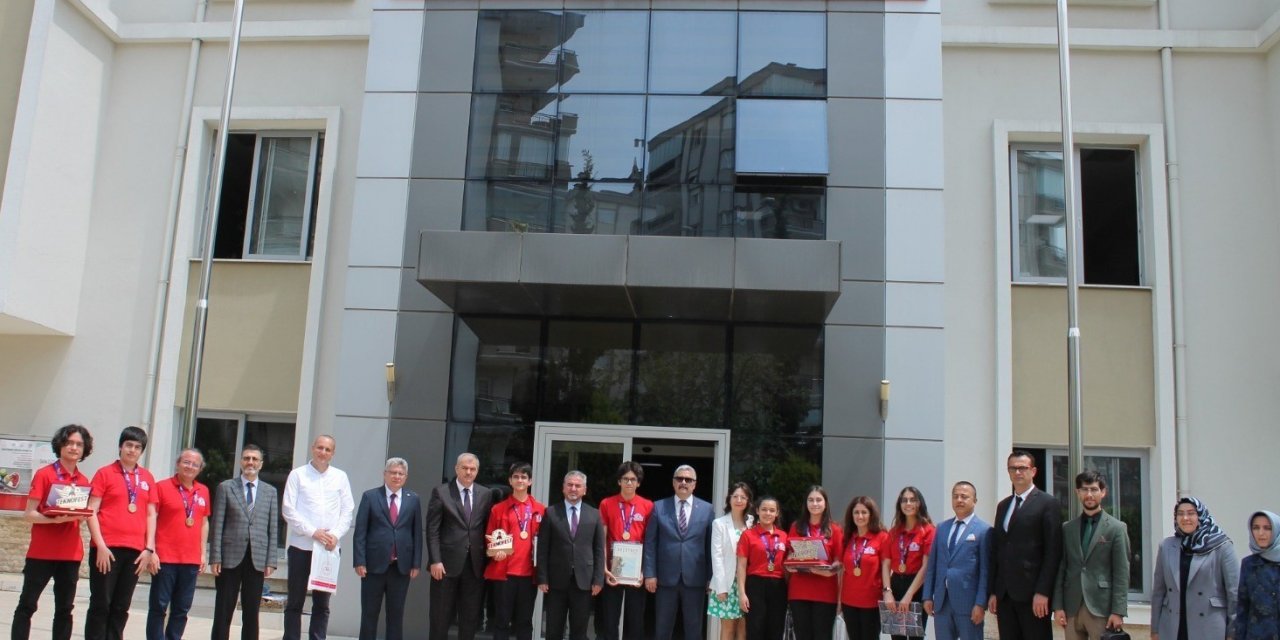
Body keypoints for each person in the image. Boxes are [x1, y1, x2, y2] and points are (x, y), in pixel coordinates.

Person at [12, 424, 94, 640]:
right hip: (41, 554)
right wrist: (56, 519)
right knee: (27, 605)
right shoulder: (44, 474)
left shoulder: (84, 481)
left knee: (65, 609)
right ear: (60, 445)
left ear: (84, 450)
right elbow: (29, 514)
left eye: (79, 444)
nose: (74, 448)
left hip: (70, 555)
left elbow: (82, 516)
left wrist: (79, 516)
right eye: (69, 443)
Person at [84, 426, 158, 640]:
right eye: (128, 445)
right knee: (100, 605)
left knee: (121, 607)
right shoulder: (105, 473)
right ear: (120, 447)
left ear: (141, 451)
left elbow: (151, 515)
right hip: (107, 550)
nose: (132, 450)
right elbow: (91, 511)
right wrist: (100, 546)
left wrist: (149, 548)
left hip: (136, 552)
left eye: (137, 447)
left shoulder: (147, 477)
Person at [281, 434, 355, 640]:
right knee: (295, 601)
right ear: (313, 448)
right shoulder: (298, 475)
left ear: (333, 453)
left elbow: (348, 510)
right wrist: (313, 531)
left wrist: (335, 534)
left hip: (328, 550)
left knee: (322, 604)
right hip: (301, 547)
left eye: (327, 449)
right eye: (320, 448)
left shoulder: (340, 477)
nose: (323, 452)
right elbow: (288, 510)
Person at [988, 449, 1063, 640]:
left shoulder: (1048, 503)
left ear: (1034, 471)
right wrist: (994, 591)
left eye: (1022, 468)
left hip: (1033, 596)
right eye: (1013, 468)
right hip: (1005, 595)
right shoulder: (1003, 506)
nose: (1017, 472)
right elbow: (998, 550)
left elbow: (1053, 552)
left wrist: (1043, 592)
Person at [209, 444, 279, 640]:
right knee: (223, 610)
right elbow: (217, 525)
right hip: (229, 558)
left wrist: (270, 560)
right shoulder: (226, 487)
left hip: (256, 559)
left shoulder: (270, 492)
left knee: (251, 613)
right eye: (247, 458)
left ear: (261, 464)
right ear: (240, 462)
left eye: (255, 459)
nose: (251, 462)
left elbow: (273, 528)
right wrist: (215, 557)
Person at [1052, 470, 1130, 640]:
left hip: (1101, 607)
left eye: (1094, 489)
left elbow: (1121, 573)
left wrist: (1118, 611)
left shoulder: (1116, 528)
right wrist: (1058, 606)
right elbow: (1061, 567)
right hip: (1071, 606)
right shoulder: (1067, 528)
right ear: (1077, 493)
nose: (1089, 494)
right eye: (1084, 489)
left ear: (1103, 492)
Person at [353, 457, 423, 640]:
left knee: (396, 615)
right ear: (385, 474)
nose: (397, 476)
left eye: (401, 473)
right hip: (373, 566)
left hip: (401, 567)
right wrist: (359, 561)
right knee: (369, 614)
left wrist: (416, 563)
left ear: (406, 477)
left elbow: (417, 533)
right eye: (393, 472)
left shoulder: (413, 499)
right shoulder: (370, 496)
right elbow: (360, 531)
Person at [1150, 496, 1239, 640]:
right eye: (1180, 513)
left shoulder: (1222, 546)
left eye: (1191, 513)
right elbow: (1158, 592)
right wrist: (1155, 629)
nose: (1185, 518)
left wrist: (1233, 633)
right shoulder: (1166, 546)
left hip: (1209, 627)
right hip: (1173, 626)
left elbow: (1234, 594)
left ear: (1201, 515)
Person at [426, 452, 493, 640]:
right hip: (445, 566)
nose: (468, 472)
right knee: (440, 617)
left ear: (477, 471)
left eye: (472, 469)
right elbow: (432, 530)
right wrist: (435, 560)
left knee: (470, 618)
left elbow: (488, 527)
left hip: (474, 566)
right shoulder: (441, 492)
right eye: (465, 468)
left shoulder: (486, 494)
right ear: (456, 469)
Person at [643, 464, 715, 640]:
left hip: (695, 579)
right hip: (665, 579)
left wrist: (710, 577)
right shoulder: (659, 507)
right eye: (679, 479)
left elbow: (710, 546)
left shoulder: (707, 509)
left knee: (693, 629)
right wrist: (650, 573)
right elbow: (651, 543)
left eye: (688, 480)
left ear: (695, 484)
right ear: (673, 483)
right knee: (662, 628)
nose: (684, 482)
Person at [147, 448, 212, 640]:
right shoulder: (162, 487)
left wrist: (202, 553)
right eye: (186, 462)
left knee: (182, 609)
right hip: (164, 558)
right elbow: (150, 518)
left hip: (190, 560)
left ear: (200, 469)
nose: (189, 467)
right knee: (159, 607)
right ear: (178, 463)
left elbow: (204, 522)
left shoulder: (204, 491)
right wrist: (152, 550)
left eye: (195, 464)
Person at [536, 470, 605, 640]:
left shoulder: (594, 514)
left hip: (584, 582)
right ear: (563, 488)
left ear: (584, 490)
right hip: (556, 582)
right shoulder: (551, 513)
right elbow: (543, 548)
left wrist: (598, 579)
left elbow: (598, 550)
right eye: (570, 485)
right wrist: (542, 578)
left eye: (577, 485)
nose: (573, 488)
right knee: (553, 630)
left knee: (579, 631)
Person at [484, 462, 546, 640]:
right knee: (501, 621)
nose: (520, 480)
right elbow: (490, 536)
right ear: (510, 481)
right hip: (504, 574)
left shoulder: (540, 510)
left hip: (528, 575)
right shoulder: (498, 509)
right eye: (516, 477)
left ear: (530, 481)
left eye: (524, 477)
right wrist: (495, 551)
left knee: (525, 622)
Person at [922, 481, 990, 640]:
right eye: (955, 496)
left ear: (975, 501)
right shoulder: (942, 528)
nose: (959, 500)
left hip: (969, 604)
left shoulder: (984, 530)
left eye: (964, 496)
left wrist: (980, 603)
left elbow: (985, 571)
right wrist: (927, 596)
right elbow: (932, 565)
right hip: (942, 602)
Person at [598, 461, 654, 640]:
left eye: (633, 479)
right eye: (625, 479)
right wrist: (604, 568)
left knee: (635, 620)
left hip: (636, 572)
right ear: (619, 482)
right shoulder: (607, 504)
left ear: (639, 483)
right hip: (613, 570)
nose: (629, 483)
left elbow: (649, 541)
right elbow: (602, 538)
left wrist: (645, 571)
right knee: (609, 620)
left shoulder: (648, 506)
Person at [787, 485, 843, 640]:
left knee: (822, 636)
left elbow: (839, 562)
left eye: (819, 500)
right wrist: (792, 563)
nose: (815, 503)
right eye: (810, 500)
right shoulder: (796, 527)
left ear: (825, 503)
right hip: (799, 592)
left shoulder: (835, 529)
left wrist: (830, 570)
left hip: (825, 593)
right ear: (806, 503)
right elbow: (790, 555)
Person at [883, 486, 935, 640]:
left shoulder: (928, 530)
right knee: (897, 637)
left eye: (912, 500)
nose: (908, 503)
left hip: (917, 588)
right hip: (896, 585)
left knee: (914, 637)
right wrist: (887, 591)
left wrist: (909, 596)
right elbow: (886, 564)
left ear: (920, 503)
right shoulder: (893, 532)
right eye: (904, 500)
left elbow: (926, 567)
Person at [736, 496, 788, 640]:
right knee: (755, 629)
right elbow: (741, 566)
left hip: (778, 586)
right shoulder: (748, 535)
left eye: (772, 510)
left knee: (776, 629)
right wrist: (742, 593)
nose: (768, 513)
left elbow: (789, 564)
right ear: (757, 511)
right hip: (755, 585)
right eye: (764, 509)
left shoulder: (784, 536)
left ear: (777, 513)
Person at [839, 496, 889, 640]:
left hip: (872, 602)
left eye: (864, 512)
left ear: (871, 514)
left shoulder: (882, 537)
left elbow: (887, 568)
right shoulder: (848, 537)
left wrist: (887, 592)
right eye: (856, 512)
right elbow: (842, 569)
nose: (860, 516)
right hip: (849, 601)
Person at [709, 482, 754, 640]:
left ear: (748, 501)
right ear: (729, 499)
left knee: (744, 628)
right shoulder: (719, 524)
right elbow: (717, 556)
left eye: (743, 497)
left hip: (747, 583)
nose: (739, 500)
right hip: (727, 583)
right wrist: (721, 587)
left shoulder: (752, 522)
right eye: (735, 496)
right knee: (728, 629)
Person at [1235, 510, 1280, 640]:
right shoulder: (1249, 564)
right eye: (1256, 528)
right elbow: (1243, 608)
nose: (1261, 533)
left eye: (1267, 528)